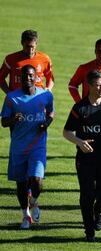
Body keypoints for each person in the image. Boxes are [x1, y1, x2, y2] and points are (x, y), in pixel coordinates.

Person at [63, 70, 101, 242]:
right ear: (89, 86)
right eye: (98, 85)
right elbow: (67, 132)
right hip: (86, 160)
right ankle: (89, 231)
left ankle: (99, 210)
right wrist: (79, 142)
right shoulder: (80, 108)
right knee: (87, 195)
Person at [1, 64, 54, 229]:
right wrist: (13, 120)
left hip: (38, 145)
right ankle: (26, 215)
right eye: (25, 76)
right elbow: (3, 122)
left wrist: (46, 123)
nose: (28, 79)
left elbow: (51, 113)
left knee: (36, 180)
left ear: (36, 77)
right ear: (20, 78)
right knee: (21, 184)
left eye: (31, 75)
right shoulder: (11, 98)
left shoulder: (45, 95)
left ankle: (34, 201)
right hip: (18, 147)